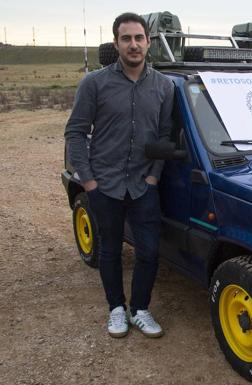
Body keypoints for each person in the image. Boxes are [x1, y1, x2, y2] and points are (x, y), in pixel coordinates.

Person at [65, 12, 174, 338]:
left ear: (148, 42)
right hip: (105, 185)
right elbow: (75, 132)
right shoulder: (94, 84)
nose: (133, 44)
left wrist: (154, 176)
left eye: (139, 38)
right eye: (126, 38)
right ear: (117, 43)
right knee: (110, 250)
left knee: (149, 251)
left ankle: (140, 309)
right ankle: (116, 309)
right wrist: (89, 182)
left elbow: (165, 136)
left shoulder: (164, 87)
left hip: (143, 186)